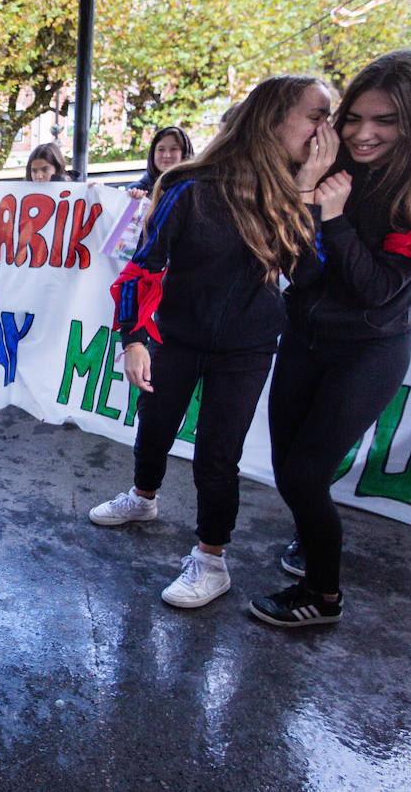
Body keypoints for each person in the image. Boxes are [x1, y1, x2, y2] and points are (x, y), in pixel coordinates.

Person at [254, 49, 411, 627]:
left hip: (368, 351)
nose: (362, 134)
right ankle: (313, 539)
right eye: (354, 118)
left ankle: (323, 596)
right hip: (305, 335)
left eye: (384, 122)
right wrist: (307, 191)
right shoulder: (333, 169)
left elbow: (380, 292)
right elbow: (302, 272)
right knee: (290, 467)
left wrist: (330, 219)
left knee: (306, 474)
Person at [88, 76, 332, 609]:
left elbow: (312, 277)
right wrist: (133, 339)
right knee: (154, 428)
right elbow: (141, 268)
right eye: (317, 115)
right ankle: (142, 498)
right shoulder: (188, 186)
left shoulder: (303, 189)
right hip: (176, 337)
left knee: (218, 456)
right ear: (274, 120)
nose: (327, 129)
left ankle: (211, 559)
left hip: (248, 349)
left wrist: (309, 194)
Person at [127, 126, 194, 199]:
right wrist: (134, 203)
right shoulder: (137, 190)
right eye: (161, 149)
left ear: (184, 153)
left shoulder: (194, 190)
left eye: (173, 149)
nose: (167, 155)